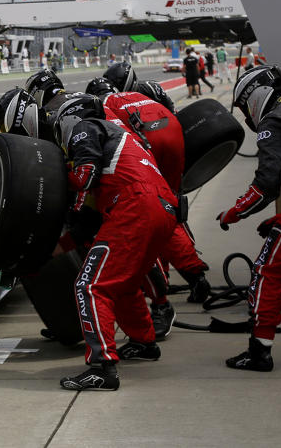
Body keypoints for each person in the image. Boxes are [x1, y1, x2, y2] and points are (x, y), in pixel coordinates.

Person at [52, 95, 178, 391]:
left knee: (90, 285)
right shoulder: (122, 138)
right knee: (124, 284)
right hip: (164, 210)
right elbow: (89, 221)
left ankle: (102, 367)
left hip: (135, 205)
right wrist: (62, 245)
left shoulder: (87, 127)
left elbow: (83, 176)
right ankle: (144, 342)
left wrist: (56, 172)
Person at [87, 77, 212, 335]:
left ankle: (161, 287)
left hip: (148, 143)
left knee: (148, 211)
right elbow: (170, 108)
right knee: (170, 207)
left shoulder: (101, 107)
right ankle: (195, 273)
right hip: (173, 131)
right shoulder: (137, 93)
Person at [218, 65, 281, 372]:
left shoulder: (274, 120)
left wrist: (233, 213)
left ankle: (259, 351)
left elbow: (266, 186)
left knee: (267, 271)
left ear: (254, 96)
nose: (248, 116)